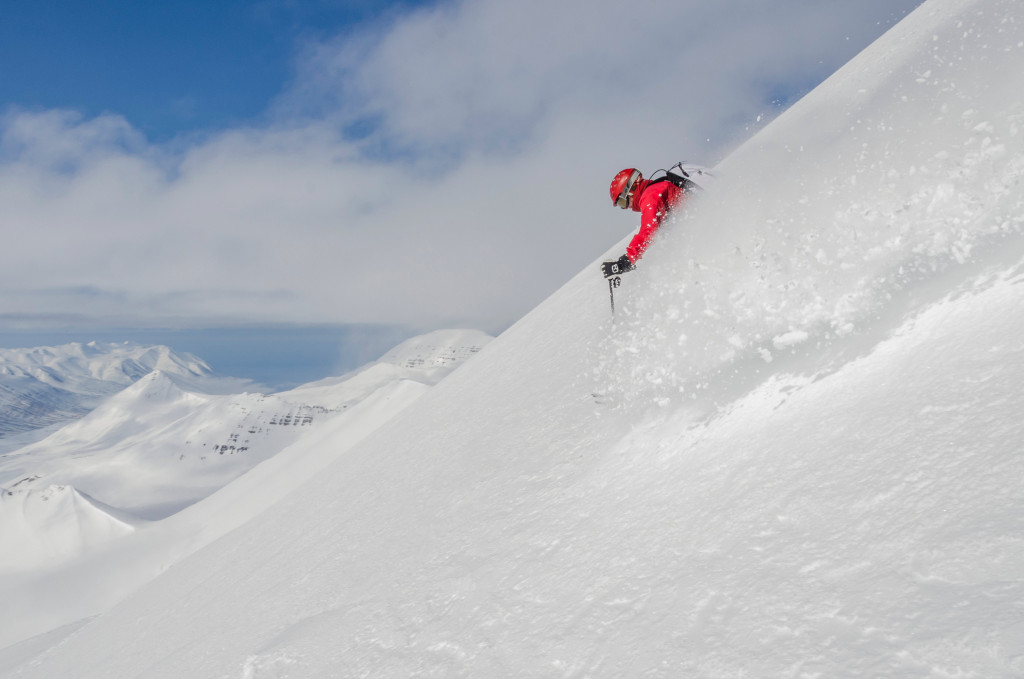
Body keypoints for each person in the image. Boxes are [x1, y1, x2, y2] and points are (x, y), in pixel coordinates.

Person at [601, 165, 703, 278]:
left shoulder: (650, 195)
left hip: (700, 224)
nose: (626, 208)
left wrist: (625, 262)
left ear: (629, 190)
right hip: (697, 222)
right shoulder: (657, 187)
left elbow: (649, 230)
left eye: (622, 202)